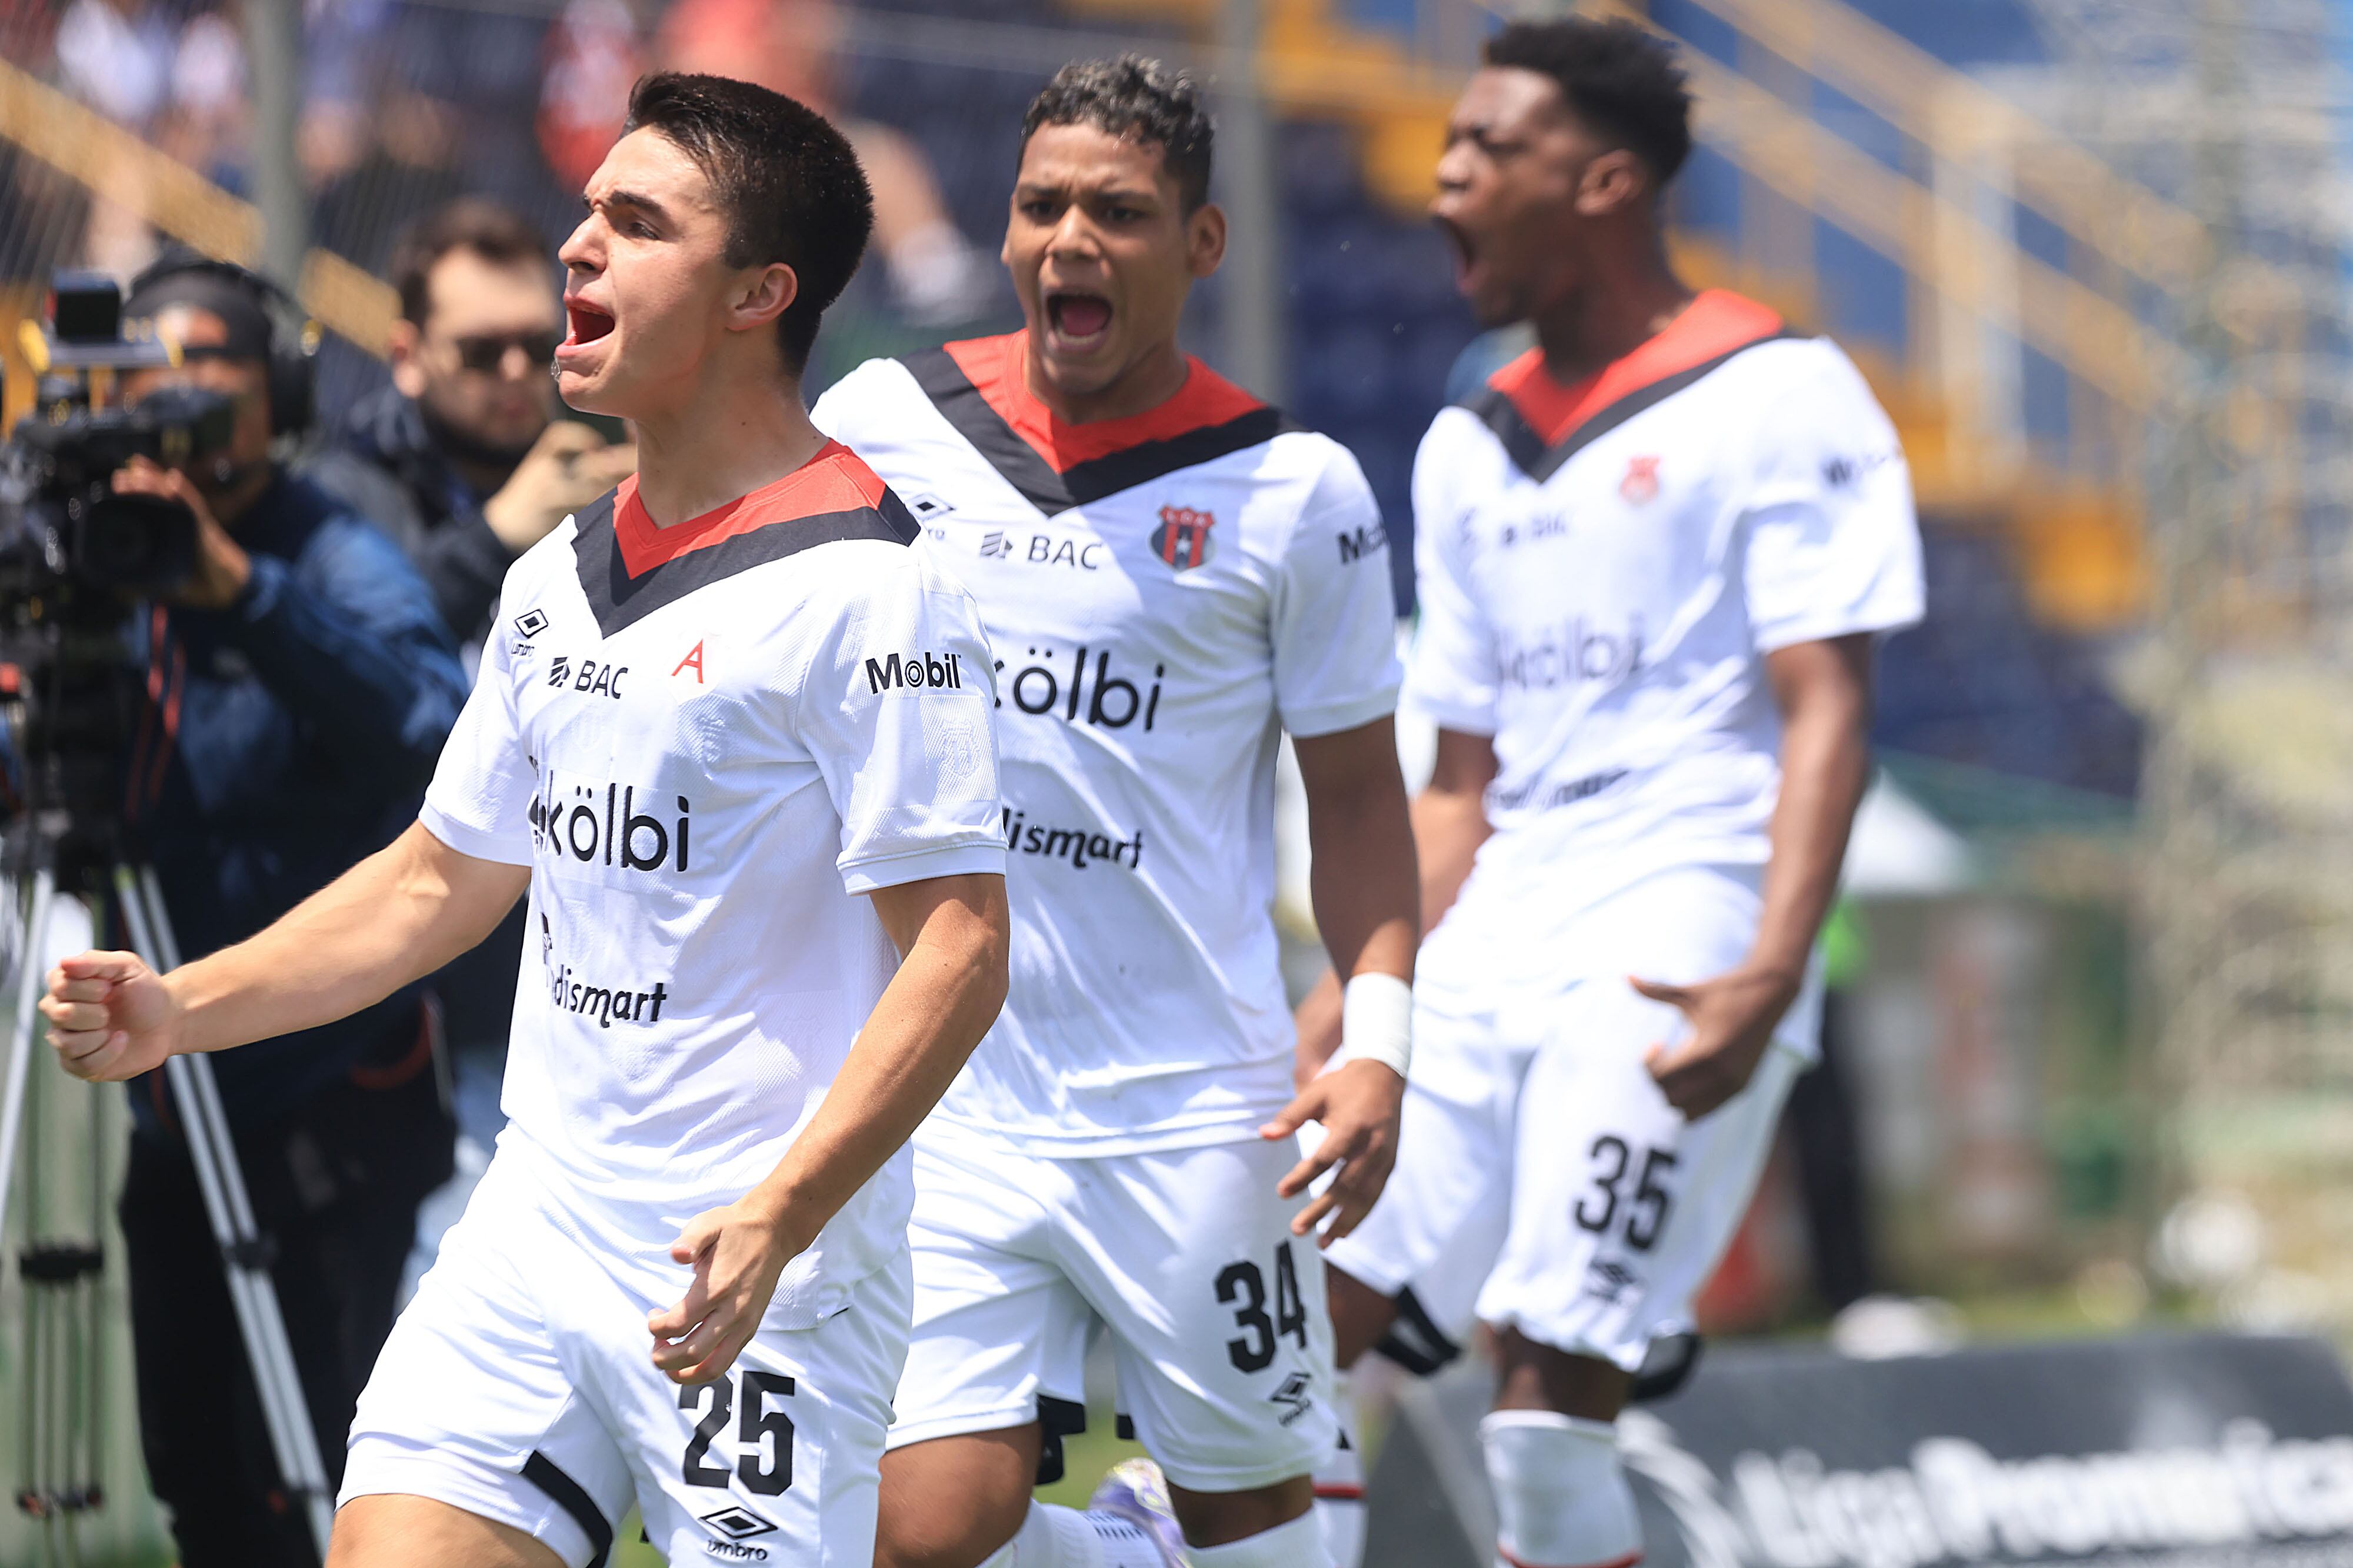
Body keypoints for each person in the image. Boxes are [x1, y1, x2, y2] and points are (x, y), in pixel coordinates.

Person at [44, 72, 1012, 1568]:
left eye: (634, 222)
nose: (579, 248)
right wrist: (181, 1006)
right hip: (537, 1226)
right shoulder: (555, 572)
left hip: (761, 1263)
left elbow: (958, 951)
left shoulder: (871, 584)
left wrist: (777, 1213)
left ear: (762, 292)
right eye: (587, 211)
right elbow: (436, 882)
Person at [1308, 20, 1925, 1568]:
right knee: (1291, 1327)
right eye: (1444, 147)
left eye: (1488, 150)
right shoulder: (1467, 439)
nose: (1445, 178)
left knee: (1543, 1392)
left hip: (1679, 918)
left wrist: (1773, 970)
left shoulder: (1782, 391)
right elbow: (1458, 779)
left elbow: (1826, 708)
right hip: (1504, 915)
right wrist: (1361, 995)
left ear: (1605, 182)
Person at [812, 55, 1418, 1568]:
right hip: (947, 1093)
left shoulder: (1297, 493)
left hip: (1197, 1109)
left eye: (1120, 212)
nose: (1070, 238)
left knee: (1255, 1529)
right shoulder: (884, 421)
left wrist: (1379, 1036)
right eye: (1041, 206)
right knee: (917, 1535)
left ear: (1200, 245)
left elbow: (1353, 801)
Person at [98, 253, 471, 1568]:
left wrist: (238, 595)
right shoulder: (88, 555)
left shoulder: (328, 550)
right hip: (171, 1075)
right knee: (199, 1479)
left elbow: (431, 721)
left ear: (283, 394)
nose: (182, 395)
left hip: (331, 1092)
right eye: (153, 366)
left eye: (216, 365)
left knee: (321, 1476)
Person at [303, 195, 635, 1290]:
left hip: (607, 960)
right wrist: (500, 533)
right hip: (433, 994)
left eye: (534, 346)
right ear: (405, 354)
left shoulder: (616, 465)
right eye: (476, 348)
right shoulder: (341, 495)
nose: (510, 371)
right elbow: (359, 679)